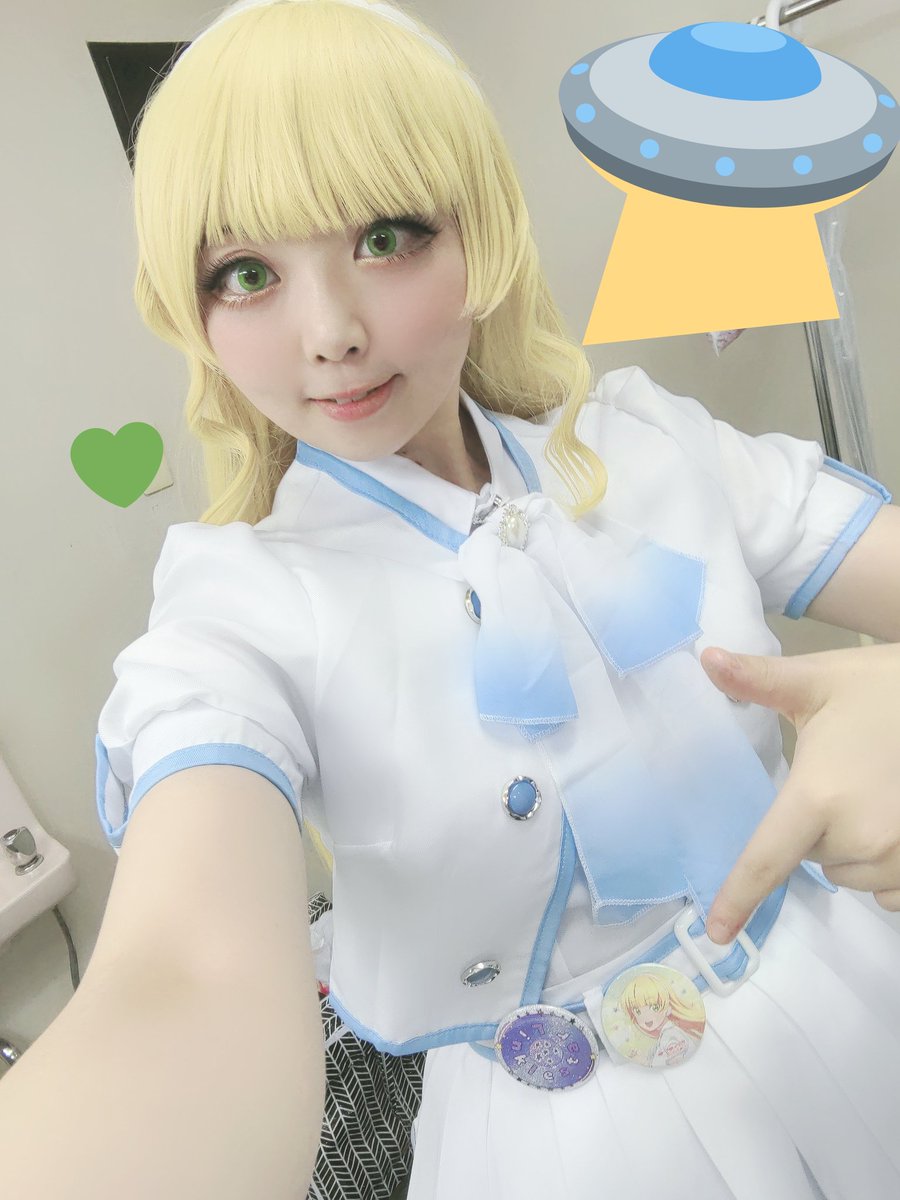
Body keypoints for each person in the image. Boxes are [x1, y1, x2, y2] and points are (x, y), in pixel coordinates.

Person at [2, 2, 900, 1197]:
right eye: (247, 274)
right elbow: (183, 974)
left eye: (387, 236)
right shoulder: (241, 607)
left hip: (853, 994)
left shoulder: (647, 443)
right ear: (193, 312)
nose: (332, 333)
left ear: (480, 237)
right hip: (578, 1146)